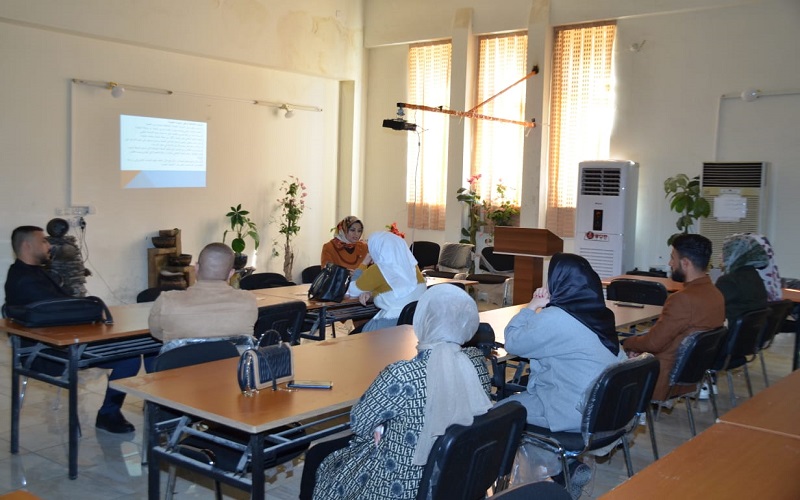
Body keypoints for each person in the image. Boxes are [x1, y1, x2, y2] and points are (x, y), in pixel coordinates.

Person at [299, 284, 492, 500]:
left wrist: (383, 425)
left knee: (319, 455)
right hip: (457, 478)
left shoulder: (402, 374)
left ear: (422, 320)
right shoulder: (476, 363)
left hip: (400, 485)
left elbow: (359, 422)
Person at [4, 225, 141, 434]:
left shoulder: (36, 272)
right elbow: (61, 310)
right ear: (27, 245)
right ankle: (108, 414)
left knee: (143, 345)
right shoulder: (23, 279)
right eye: (44, 241)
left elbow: (63, 307)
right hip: (47, 353)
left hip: (64, 341)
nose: (49, 246)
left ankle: (157, 406)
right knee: (129, 357)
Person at [501, 253, 626, 433]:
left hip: (569, 411)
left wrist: (532, 305)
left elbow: (512, 342)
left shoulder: (556, 318)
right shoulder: (601, 314)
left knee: (495, 415)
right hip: (602, 409)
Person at [623, 234, 725, 401]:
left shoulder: (682, 299)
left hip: (662, 376)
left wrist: (627, 343)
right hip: (689, 375)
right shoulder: (716, 295)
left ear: (685, 263)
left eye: (672, 258)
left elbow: (654, 343)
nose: (670, 264)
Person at [148, 242, 258, 343]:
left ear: (196, 268)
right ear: (231, 273)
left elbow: (157, 333)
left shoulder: (166, 301)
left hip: (182, 363)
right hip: (234, 364)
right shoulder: (249, 301)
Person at [347, 231, 427, 332]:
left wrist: (363, 263)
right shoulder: (412, 266)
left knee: (352, 339)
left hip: (389, 327)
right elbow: (396, 289)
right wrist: (372, 292)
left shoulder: (378, 269)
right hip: (414, 327)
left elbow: (352, 291)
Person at [715, 233, 769, 326]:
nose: (720, 256)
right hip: (750, 335)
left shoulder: (728, 281)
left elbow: (711, 308)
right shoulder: (754, 276)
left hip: (730, 333)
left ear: (734, 254)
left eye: (725, 252)